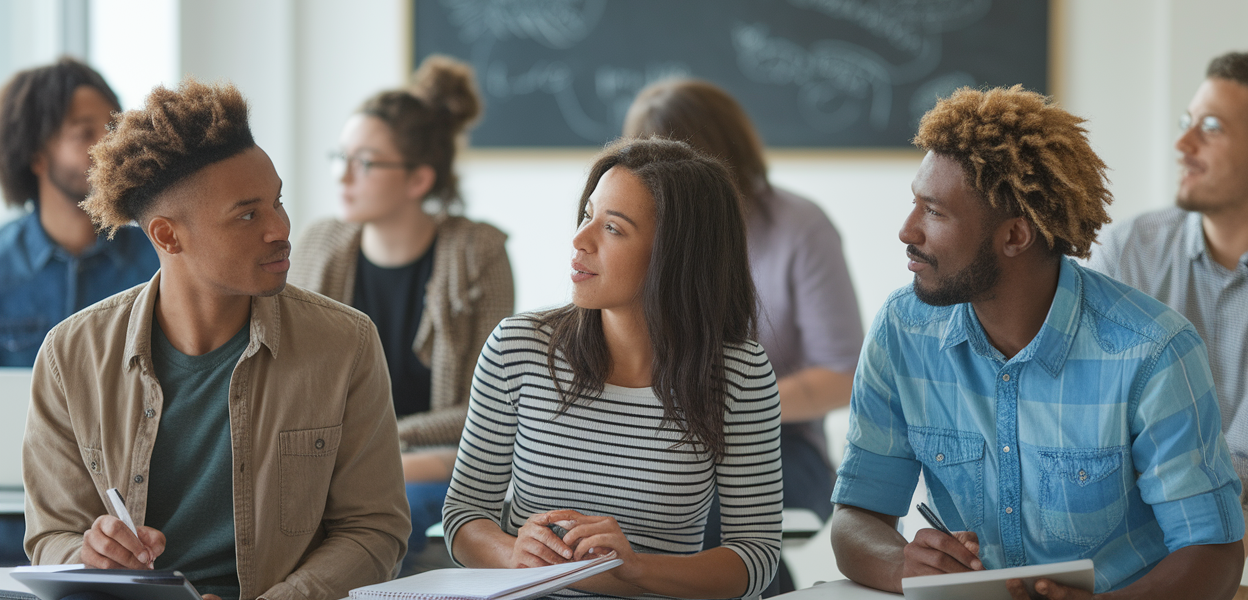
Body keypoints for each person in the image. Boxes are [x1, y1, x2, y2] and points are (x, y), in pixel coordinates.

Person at [829, 85, 1244, 599]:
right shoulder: (902, 329)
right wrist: (904, 566)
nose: (906, 231)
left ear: (1014, 236)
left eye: (933, 212)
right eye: (915, 204)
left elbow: (1214, 552)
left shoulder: (1153, 351)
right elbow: (857, 516)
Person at [22, 79, 410, 600]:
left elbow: (374, 531)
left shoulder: (346, 343)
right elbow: (51, 536)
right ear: (167, 235)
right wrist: (89, 556)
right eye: (247, 215)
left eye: (277, 202)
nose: (280, 229)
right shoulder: (70, 355)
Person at [442, 138, 782, 600]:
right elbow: (463, 514)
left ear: (675, 254)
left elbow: (756, 556)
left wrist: (634, 568)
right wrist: (513, 554)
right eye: (587, 216)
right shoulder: (516, 347)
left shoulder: (739, 373)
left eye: (613, 228)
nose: (580, 240)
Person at [622, 79, 863, 593]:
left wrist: (730, 409)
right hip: (651, 437)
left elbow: (843, 374)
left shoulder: (800, 227)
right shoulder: (635, 234)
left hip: (779, 445)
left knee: (704, 521)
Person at [288, 55, 513, 564]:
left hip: (433, 465)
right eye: (340, 157)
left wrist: (384, 443)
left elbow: (488, 409)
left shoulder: (479, 253)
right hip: (328, 462)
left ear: (418, 180)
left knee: (385, 516)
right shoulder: (319, 244)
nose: (343, 176)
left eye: (365, 163)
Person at [1086, 51, 1248, 547]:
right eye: (1186, 122)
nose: (1183, 143)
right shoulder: (1128, 251)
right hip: (1140, 542)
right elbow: (1091, 421)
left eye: (1211, 127)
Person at [0, 57, 159, 367]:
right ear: (36, 156)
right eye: (85, 133)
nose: (109, 146)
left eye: (113, 129)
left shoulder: (160, 261)